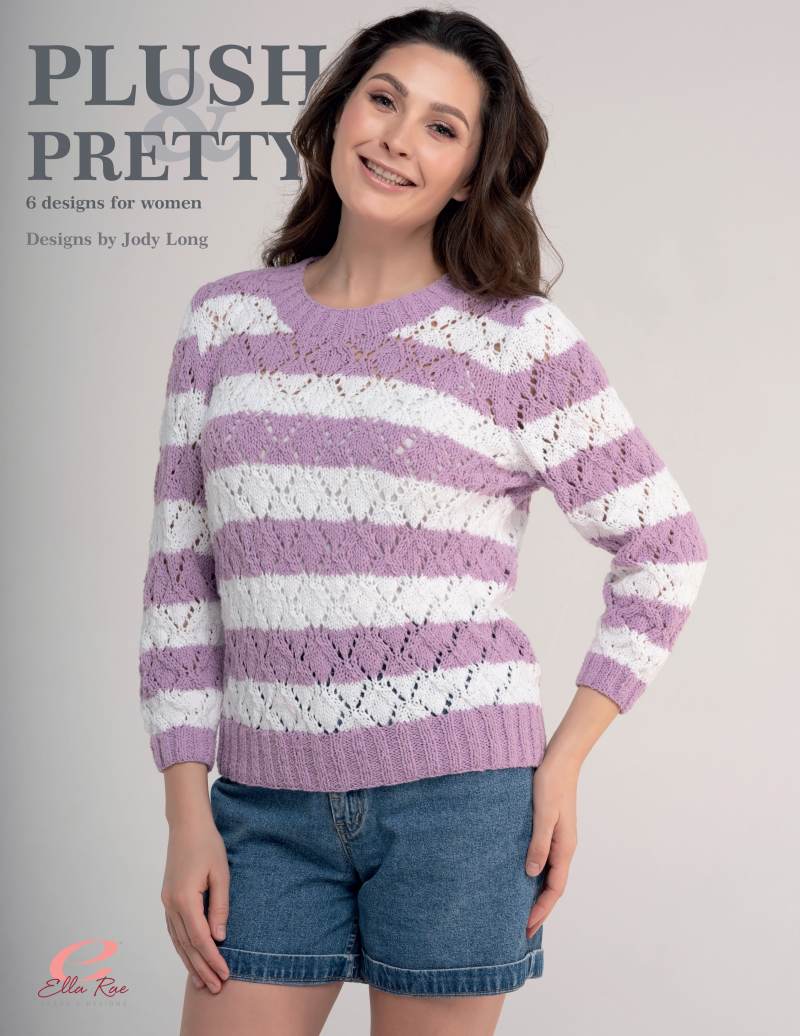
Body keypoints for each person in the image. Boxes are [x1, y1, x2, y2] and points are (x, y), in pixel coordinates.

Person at [138, 9, 709, 1035]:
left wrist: (564, 758)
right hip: (261, 808)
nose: (399, 139)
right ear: (337, 113)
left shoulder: (517, 340)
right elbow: (181, 584)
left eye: (442, 127)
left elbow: (665, 548)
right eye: (384, 100)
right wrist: (187, 810)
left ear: (469, 173)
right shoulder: (223, 323)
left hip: (461, 806)